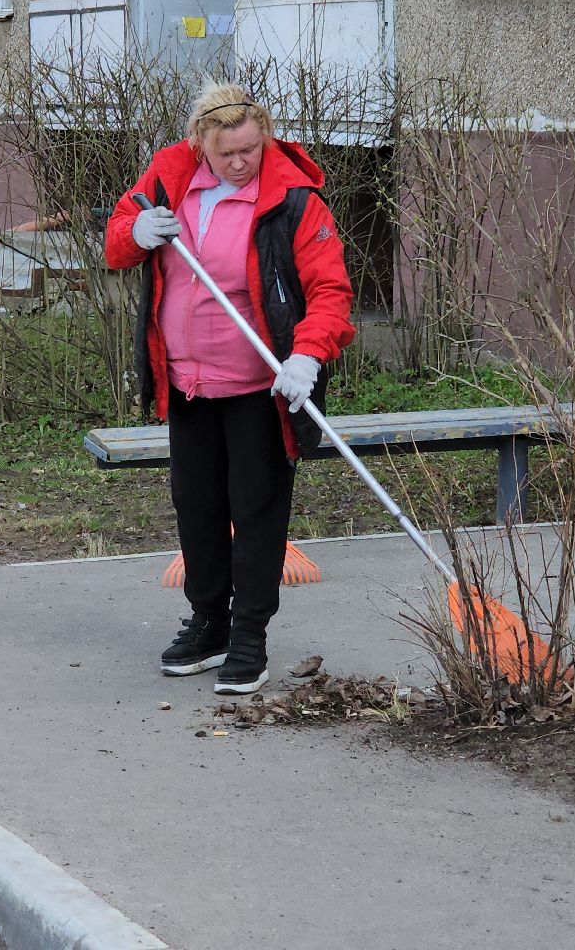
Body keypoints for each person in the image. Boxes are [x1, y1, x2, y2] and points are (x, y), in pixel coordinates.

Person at [105, 83, 355, 695]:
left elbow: (331, 291)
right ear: (201, 146)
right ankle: (209, 621)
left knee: (257, 507)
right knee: (198, 507)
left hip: (260, 386)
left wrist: (307, 356)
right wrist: (139, 231)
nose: (241, 163)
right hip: (188, 383)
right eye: (227, 154)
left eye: (250, 148)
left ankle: (250, 633)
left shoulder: (293, 201)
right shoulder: (168, 179)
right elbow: (115, 244)